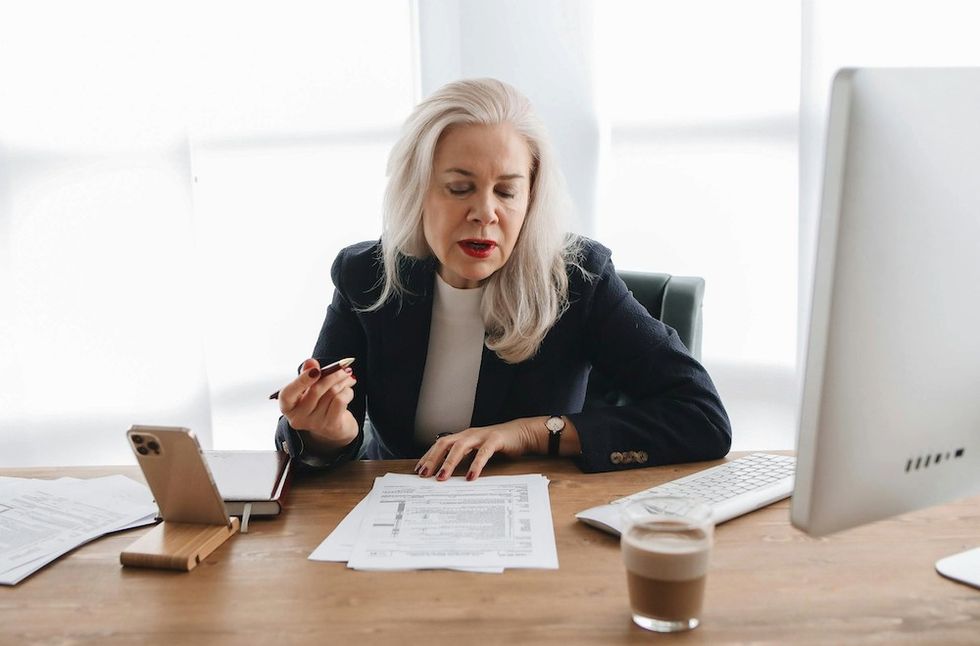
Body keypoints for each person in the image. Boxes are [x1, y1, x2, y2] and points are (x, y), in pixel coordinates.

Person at [274, 78, 731, 480]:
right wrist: (328, 433)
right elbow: (318, 440)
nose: (485, 213)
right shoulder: (366, 276)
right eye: (460, 188)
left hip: (540, 517)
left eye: (507, 191)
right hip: (395, 515)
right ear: (417, 190)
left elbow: (703, 417)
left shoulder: (579, 280)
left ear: (531, 199)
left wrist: (530, 433)